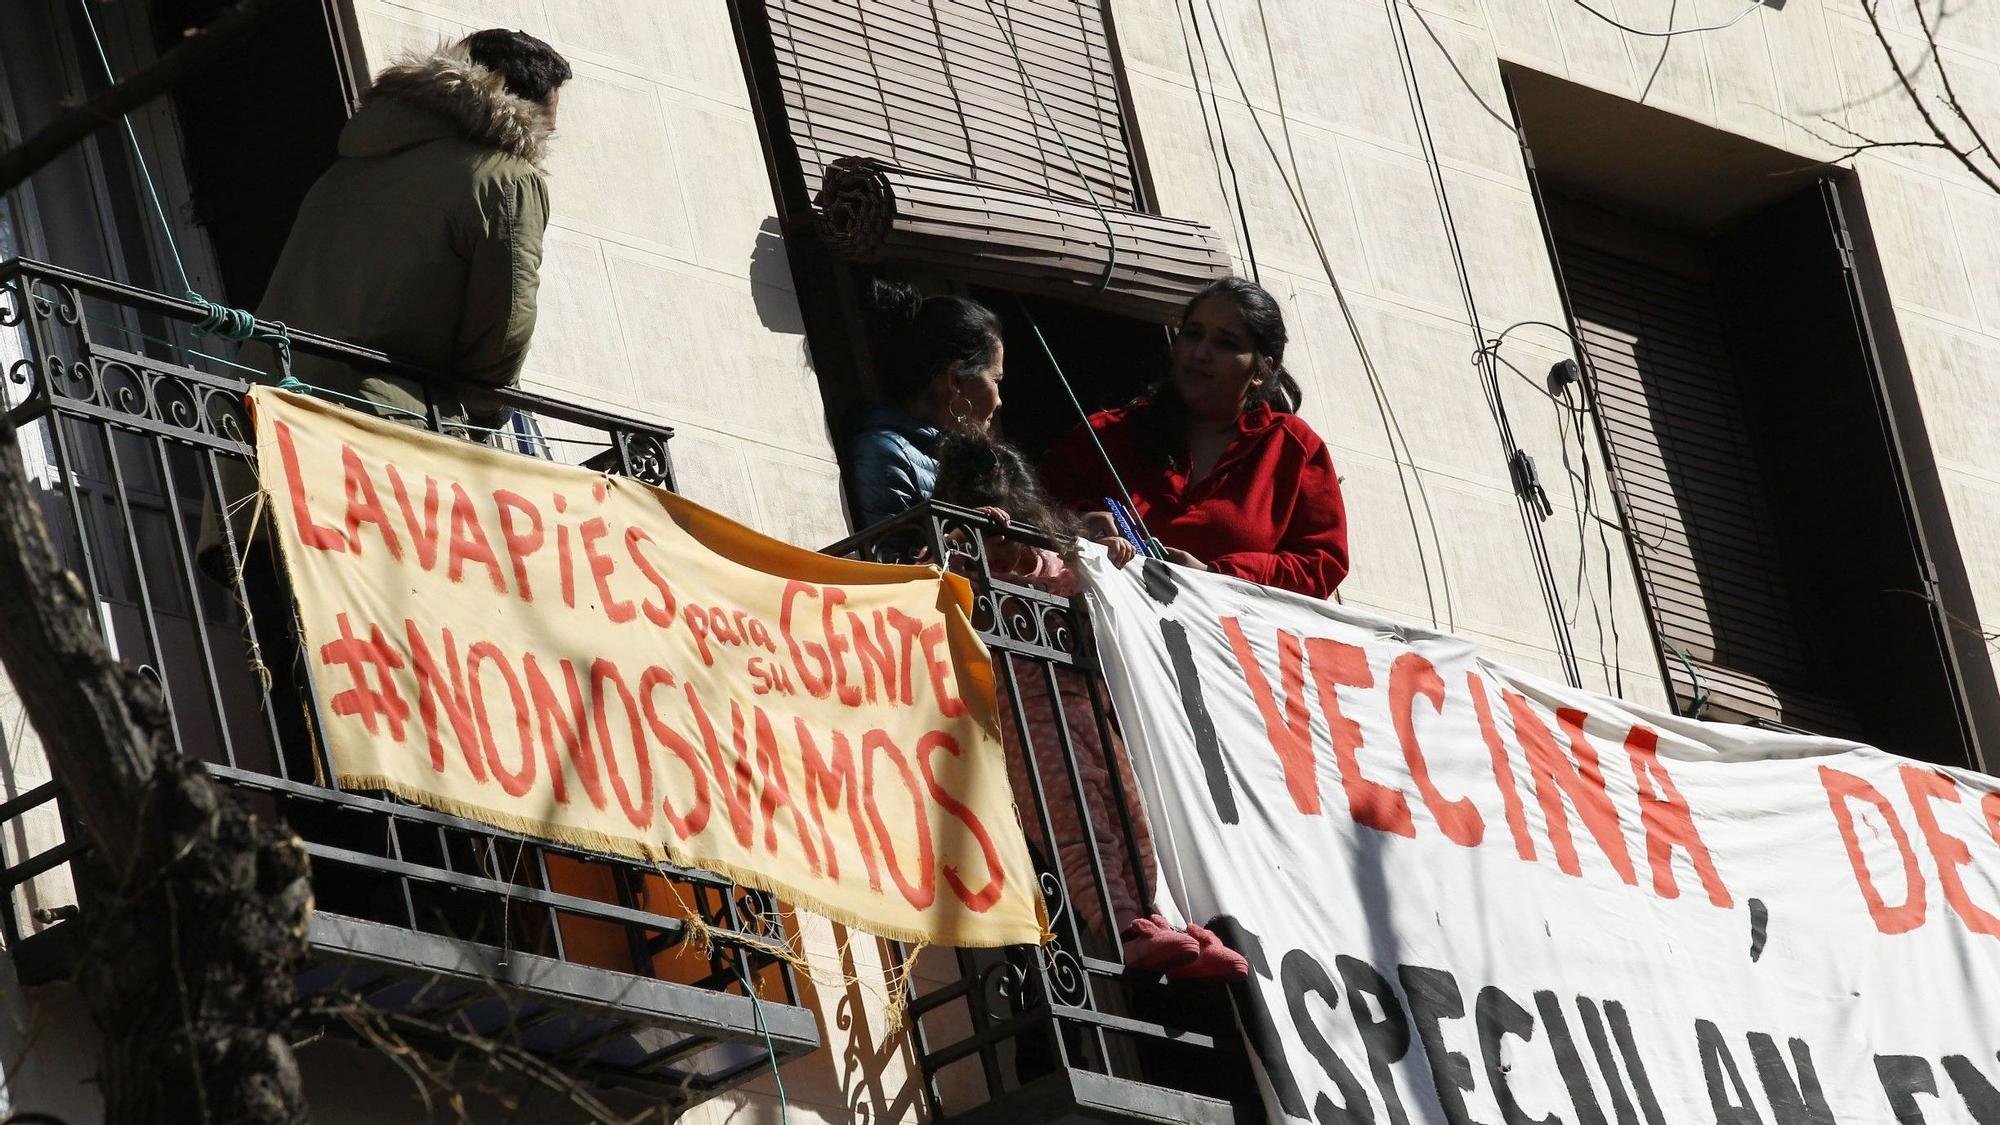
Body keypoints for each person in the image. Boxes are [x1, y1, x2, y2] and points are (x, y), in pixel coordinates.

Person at [933, 429, 1244, 981]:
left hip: (1095, 713)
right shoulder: (959, 569)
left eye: (1012, 521)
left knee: (1135, 817)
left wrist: (1109, 552)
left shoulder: (1054, 561)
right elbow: (924, 579)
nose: (1005, 544)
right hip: (1028, 721)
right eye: (990, 526)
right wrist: (960, 536)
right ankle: (1124, 928)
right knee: (1074, 818)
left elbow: (1099, 589)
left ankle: (1159, 916)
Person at [250, 29, 571, 427]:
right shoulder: (508, 179)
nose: (544, 140)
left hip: (266, 415)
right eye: (545, 127)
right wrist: (489, 401)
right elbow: (503, 331)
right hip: (379, 429)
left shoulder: (348, 168)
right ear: (520, 107)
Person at [1041, 277, 1349, 599]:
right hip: (1091, 634)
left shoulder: (1293, 447)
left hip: (1223, 643)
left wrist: (1215, 576)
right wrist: (1081, 519)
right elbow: (1032, 501)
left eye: (1226, 343)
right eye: (1192, 334)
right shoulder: (1107, 433)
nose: (1200, 353)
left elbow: (1321, 565)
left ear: (1262, 370)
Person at [842, 280, 1005, 529]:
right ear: (955, 381)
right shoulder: (886, 453)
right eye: (995, 379)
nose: (999, 400)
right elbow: (895, 563)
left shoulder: (972, 460)